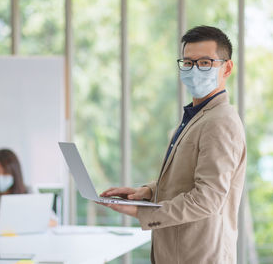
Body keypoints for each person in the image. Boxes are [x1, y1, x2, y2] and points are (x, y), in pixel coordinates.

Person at [99, 26, 246, 263]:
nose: (195, 69)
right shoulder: (196, 116)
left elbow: (207, 198)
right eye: (188, 63)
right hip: (176, 252)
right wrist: (146, 192)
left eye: (205, 63)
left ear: (227, 67)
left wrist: (141, 212)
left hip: (199, 255)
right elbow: (186, 179)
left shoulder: (221, 121)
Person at [0, 149, 58, 229]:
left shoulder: (29, 191)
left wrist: (18, 221)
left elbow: (53, 221)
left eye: (5, 173)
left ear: (14, 174)